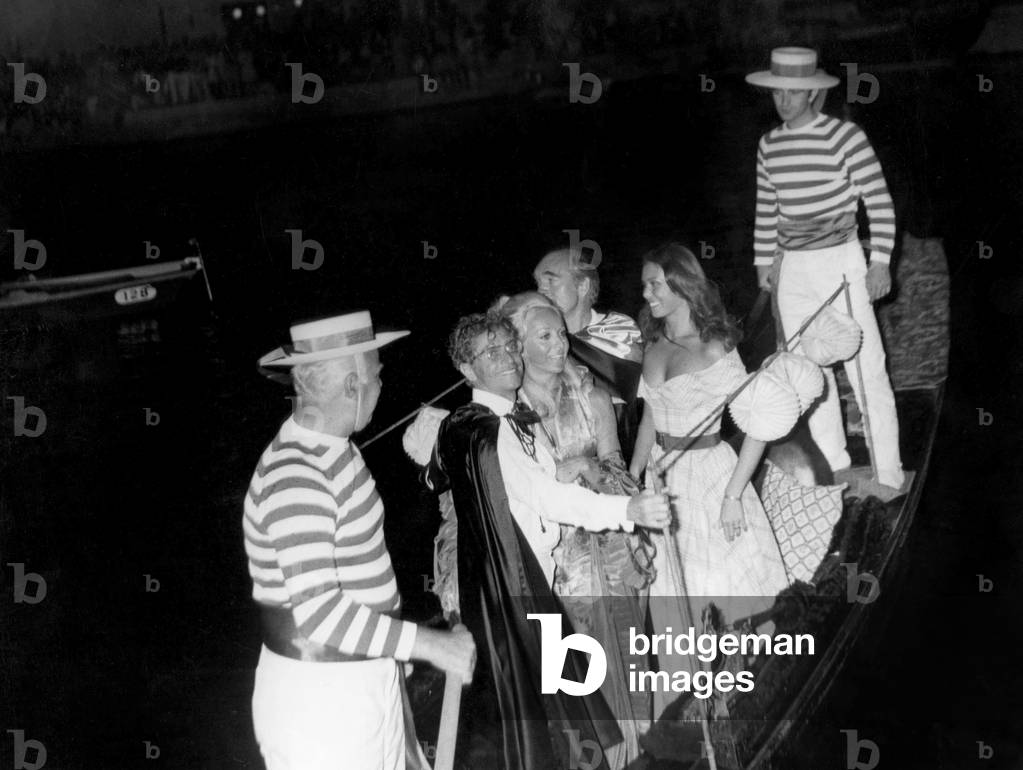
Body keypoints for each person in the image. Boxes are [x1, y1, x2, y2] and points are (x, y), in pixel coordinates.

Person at [425, 310, 671, 770]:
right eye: (491, 352)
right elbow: (544, 497)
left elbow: (525, 482)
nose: (508, 358)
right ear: (466, 369)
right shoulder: (487, 430)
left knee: (554, 710)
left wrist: (575, 470)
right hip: (519, 589)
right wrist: (627, 510)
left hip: (517, 581)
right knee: (552, 714)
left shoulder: (482, 420)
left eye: (509, 346)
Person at [244, 311, 476, 770]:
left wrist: (388, 652)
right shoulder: (296, 475)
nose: (381, 385)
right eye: (376, 375)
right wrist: (431, 646)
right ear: (352, 385)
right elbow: (318, 614)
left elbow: (355, 575)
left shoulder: (334, 448)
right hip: (322, 706)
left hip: (361, 678)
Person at [628, 245, 789, 712]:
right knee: (675, 602)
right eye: (645, 284)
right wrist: (636, 475)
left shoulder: (716, 347)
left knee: (729, 600)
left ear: (682, 285)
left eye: (655, 283)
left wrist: (734, 496)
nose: (646, 293)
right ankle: (691, 708)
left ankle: (747, 699)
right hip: (663, 483)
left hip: (712, 478)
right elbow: (650, 417)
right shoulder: (654, 344)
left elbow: (760, 419)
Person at [500, 292, 654, 769]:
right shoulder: (505, 411)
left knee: (625, 650)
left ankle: (639, 751)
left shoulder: (590, 393)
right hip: (550, 557)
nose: (560, 346)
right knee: (570, 669)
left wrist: (588, 468)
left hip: (606, 544)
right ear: (518, 346)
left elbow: (618, 468)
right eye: (544, 337)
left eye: (562, 334)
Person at [746, 46, 905, 490]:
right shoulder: (769, 145)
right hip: (792, 267)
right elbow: (767, 211)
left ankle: (888, 474)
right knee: (805, 370)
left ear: (813, 93)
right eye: (778, 90)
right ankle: (835, 466)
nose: (783, 99)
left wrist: (880, 264)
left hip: (841, 262)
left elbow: (879, 203)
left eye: (793, 92)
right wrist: (764, 264)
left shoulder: (845, 137)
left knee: (865, 366)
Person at [533, 247, 644, 459]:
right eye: (538, 283)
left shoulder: (618, 330)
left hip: (618, 452)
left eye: (551, 281)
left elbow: (635, 393)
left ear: (582, 285)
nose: (541, 291)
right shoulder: (535, 342)